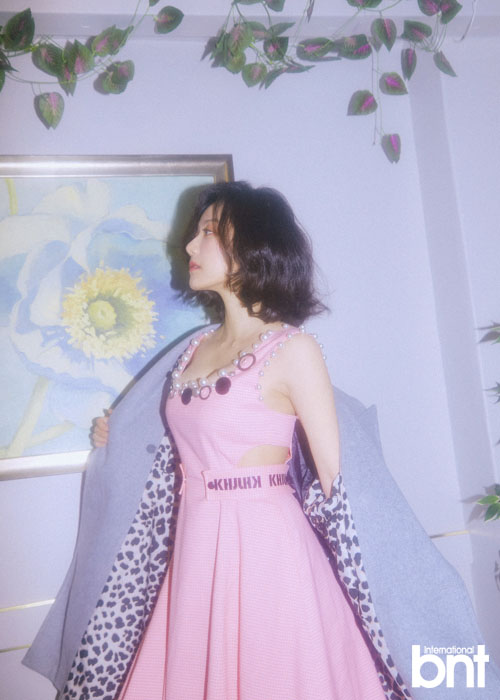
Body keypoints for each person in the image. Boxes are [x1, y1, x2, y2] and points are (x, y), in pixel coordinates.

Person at [22, 182, 500, 700]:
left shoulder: (293, 349)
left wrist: (387, 592)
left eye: (208, 232)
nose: (190, 245)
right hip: (194, 546)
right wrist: (115, 435)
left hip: (269, 551)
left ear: (253, 246)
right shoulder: (193, 349)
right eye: (195, 232)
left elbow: (340, 483)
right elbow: (182, 443)